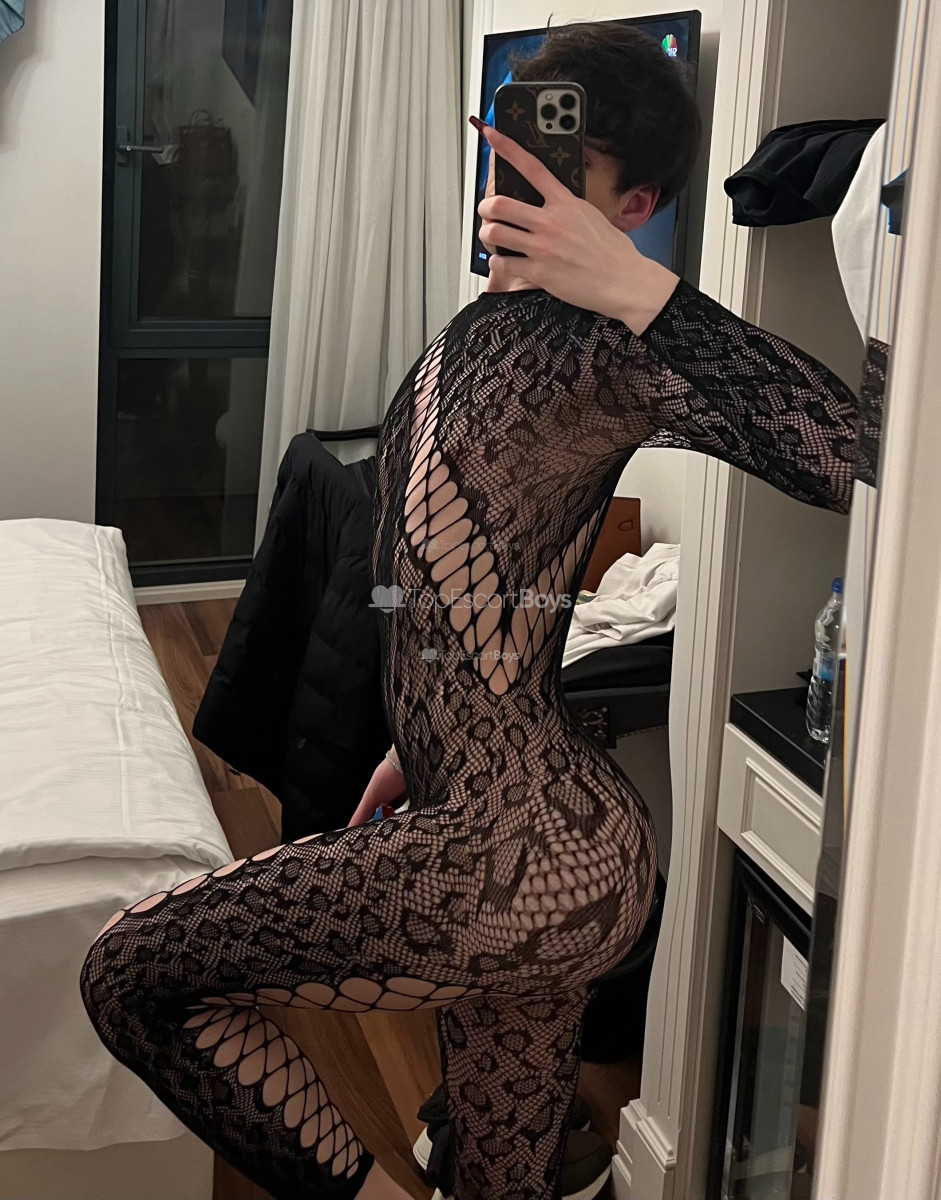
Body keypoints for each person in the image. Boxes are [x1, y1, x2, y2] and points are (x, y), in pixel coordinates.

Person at [80, 23, 874, 1200]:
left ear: (636, 202)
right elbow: (453, 575)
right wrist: (422, 731)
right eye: (513, 145)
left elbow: (853, 453)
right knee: (498, 1177)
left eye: (564, 163)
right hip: (512, 827)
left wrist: (641, 286)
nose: (519, 176)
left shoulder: (609, 350)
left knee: (131, 971)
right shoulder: (477, 330)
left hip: (528, 846)